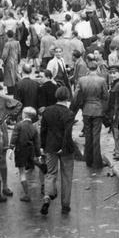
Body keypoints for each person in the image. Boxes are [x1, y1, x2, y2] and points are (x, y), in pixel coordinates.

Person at [40, 86, 75, 215]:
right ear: (67, 97)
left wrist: (43, 146)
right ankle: (65, 205)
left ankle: (47, 197)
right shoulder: (69, 113)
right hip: (65, 149)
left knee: (51, 173)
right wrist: (63, 147)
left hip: (50, 146)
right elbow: (67, 133)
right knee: (67, 176)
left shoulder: (47, 111)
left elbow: (43, 131)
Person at [71, 59, 108, 169]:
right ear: (97, 68)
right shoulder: (101, 80)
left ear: (88, 68)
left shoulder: (82, 80)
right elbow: (106, 96)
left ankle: (88, 159)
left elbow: (76, 96)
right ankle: (97, 162)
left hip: (86, 109)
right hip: (97, 109)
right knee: (96, 136)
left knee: (88, 135)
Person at [9, 107, 41, 202]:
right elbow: (37, 142)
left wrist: (11, 148)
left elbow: (14, 137)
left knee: (22, 172)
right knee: (29, 170)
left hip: (20, 150)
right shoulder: (34, 127)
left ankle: (27, 194)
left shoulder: (19, 125)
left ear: (24, 114)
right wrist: (38, 154)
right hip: (30, 151)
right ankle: (29, 188)